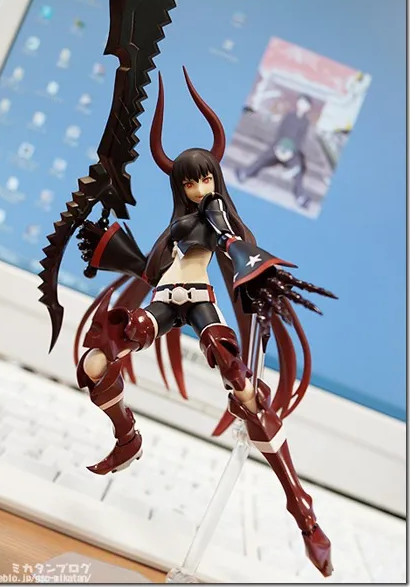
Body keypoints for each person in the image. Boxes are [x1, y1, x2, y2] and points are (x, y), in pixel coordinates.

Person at [71, 71, 334, 577]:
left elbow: (236, 250)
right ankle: (127, 437)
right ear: (180, 185)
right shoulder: (178, 224)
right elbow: (151, 271)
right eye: (189, 182)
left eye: (204, 179)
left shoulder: (217, 220)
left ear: (215, 178)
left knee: (243, 385)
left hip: (200, 303)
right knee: (96, 362)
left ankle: (303, 514)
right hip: (165, 301)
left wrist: (250, 266)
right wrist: (109, 249)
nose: (197, 187)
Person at [237, 94, 313, 208]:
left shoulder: (305, 122)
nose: (302, 105)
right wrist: (278, 147)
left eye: (305, 104)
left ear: (308, 108)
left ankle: (300, 197)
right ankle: (246, 173)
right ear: (297, 103)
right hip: (278, 146)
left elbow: (300, 140)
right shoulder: (289, 116)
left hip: (292, 151)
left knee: (298, 169)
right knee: (263, 158)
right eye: (301, 102)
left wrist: (291, 151)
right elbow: (280, 132)